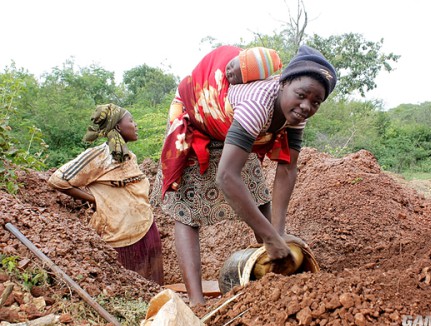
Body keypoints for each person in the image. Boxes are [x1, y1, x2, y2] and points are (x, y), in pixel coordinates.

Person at [151, 45, 336, 305]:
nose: (306, 106)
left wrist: (279, 232)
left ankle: (269, 262)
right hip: (200, 119)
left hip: (233, 127)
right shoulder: (257, 104)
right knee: (188, 208)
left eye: (315, 102)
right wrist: (272, 237)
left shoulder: (296, 114)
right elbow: (226, 176)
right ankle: (196, 300)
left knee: (257, 192)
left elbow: (287, 168)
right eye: (302, 95)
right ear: (282, 84)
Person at [48, 103, 164, 285]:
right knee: (134, 289)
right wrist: (94, 199)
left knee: (157, 287)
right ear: (118, 126)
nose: (136, 125)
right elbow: (58, 180)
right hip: (121, 237)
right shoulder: (98, 156)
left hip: (146, 227)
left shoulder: (129, 156)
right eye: (131, 121)